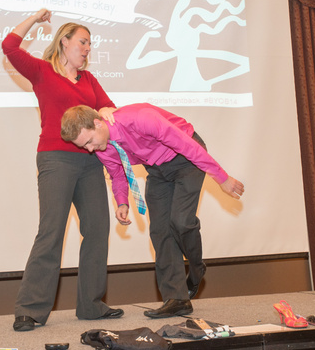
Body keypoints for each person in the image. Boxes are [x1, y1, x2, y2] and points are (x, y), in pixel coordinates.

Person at [60, 104, 245, 318]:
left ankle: (196, 268)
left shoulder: (140, 118)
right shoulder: (104, 146)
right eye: (85, 147)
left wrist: (221, 177)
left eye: (90, 141)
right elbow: (117, 173)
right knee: (159, 231)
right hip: (157, 169)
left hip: (185, 159)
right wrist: (122, 201)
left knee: (181, 221)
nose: (91, 149)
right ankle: (177, 299)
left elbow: (188, 147)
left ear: (98, 123)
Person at [2, 9, 124, 332]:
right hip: (55, 159)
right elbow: (10, 47)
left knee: (97, 229)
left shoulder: (89, 80)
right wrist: (33, 18)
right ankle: (29, 310)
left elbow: (108, 111)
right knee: (51, 231)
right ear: (64, 42)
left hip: (88, 162)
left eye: (89, 44)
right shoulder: (43, 72)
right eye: (82, 42)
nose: (87, 49)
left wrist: (109, 111)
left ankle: (91, 305)